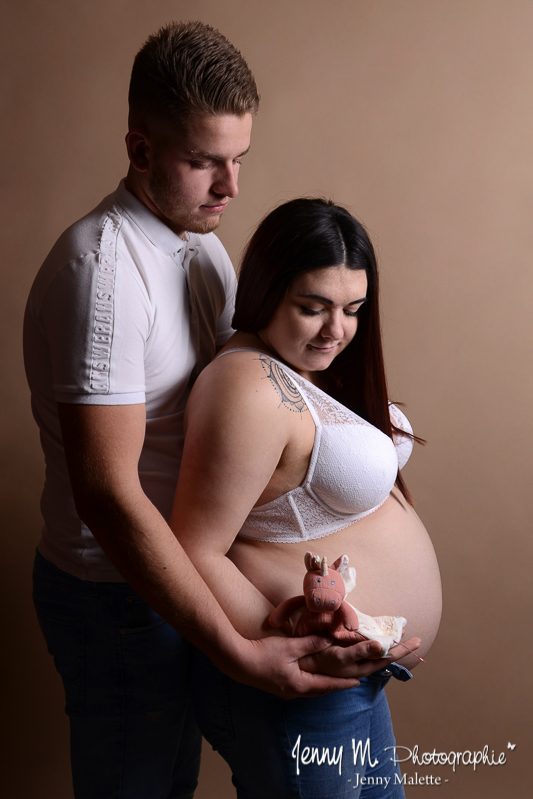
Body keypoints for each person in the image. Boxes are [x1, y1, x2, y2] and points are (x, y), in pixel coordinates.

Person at [24, 21, 404, 799]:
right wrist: (236, 649)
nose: (229, 187)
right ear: (140, 151)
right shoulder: (105, 273)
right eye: (203, 162)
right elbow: (106, 492)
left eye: (239, 160)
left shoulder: (197, 243)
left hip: (186, 578)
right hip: (120, 598)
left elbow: (250, 390)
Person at [170, 198, 442, 798]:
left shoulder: (299, 371)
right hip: (303, 688)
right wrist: (297, 652)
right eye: (312, 308)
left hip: (348, 682)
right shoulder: (247, 385)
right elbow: (193, 549)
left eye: (352, 309)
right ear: (266, 290)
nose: (336, 331)